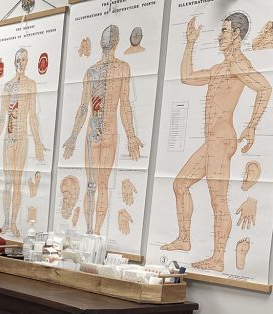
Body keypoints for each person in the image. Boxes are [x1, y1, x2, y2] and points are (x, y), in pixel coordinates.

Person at [162, 13, 271, 271]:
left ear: (236, 35)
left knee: (218, 202)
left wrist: (252, 126)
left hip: (222, 141)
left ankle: (218, 258)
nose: (220, 36)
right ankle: (185, 239)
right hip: (212, 142)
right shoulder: (220, 68)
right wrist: (190, 43)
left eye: (224, 32)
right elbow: (187, 77)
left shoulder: (239, 65)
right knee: (180, 185)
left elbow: (265, 88)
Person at [62, 25, 143, 235]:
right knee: (92, 184)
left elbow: (125, 104)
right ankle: (90, 232)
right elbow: (83, 107)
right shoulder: (92, 71)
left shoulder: (123, 68)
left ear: (113, 42)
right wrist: (72, 137)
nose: (107, 40)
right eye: (106, 37)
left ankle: (96, 233)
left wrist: (132, 136)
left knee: (102, 184)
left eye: (110, 37)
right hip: (93, 132)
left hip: (108, 131)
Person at [0, 48, 45, 238]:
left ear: (27, 61)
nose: (21, 63)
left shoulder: (31, 85)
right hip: (8, 138)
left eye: (24, 60)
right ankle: (5, 221)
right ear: (14, 63)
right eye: (18, 60)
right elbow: (2, 117)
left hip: (21, 138)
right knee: (7, 182)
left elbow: (33, 116)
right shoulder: (8, 87)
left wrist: (37, 143)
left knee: (18, 182)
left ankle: (13, 222)